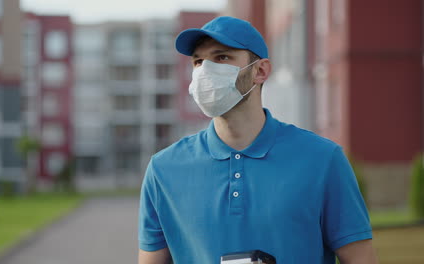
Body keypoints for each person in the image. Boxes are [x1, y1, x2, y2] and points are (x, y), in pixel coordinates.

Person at [138, 16, 378, 264]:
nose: (205, 71)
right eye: (198, 61)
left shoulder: (323, 160)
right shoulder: (163, 169)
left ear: (260, 71)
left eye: (222, 57)